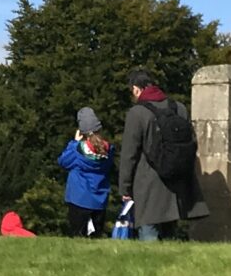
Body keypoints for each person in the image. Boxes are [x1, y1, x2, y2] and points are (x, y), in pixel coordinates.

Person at [115, 68, 200, 242]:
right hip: (176, 182)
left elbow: (129, 155)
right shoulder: (179, 108)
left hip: (148, 184)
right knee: (170, 237)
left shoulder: (137, 113)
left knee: (148, 236)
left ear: (136, 89)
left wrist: (125, 187)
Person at [55, 107, 114, 237]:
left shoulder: (77, 150)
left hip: (79, 198)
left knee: (78, 236)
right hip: (100, 200)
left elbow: (63, 161)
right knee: (96, 237)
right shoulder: (108, 149)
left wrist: (74, 142)